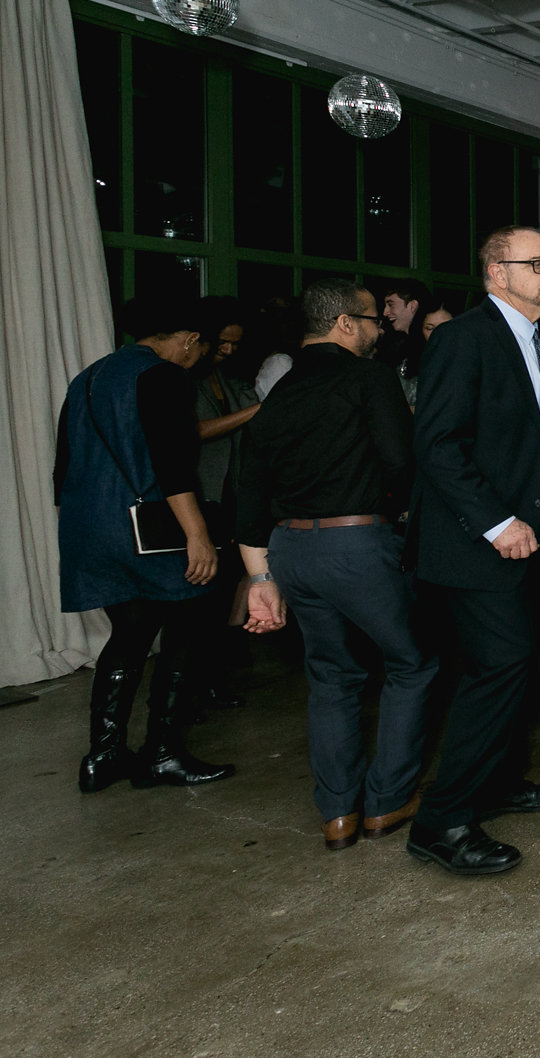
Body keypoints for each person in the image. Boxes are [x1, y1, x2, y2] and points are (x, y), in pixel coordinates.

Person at [406, 226, 540, 877]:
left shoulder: (532, 338)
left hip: (531, 539)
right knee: (502, 665)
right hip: (476, 545)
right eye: (537, 263)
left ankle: (498, 781)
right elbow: (436, 444)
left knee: (520, 668)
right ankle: (443, 820)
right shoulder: (464, 338)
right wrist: (495, 522)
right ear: (496, 271)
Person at [236, 281, 436, 852]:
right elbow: (402, 463)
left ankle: (337, 814)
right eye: (373, 320)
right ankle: (387, 801)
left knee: (331, 676)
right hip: (359, 546)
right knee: (412, 664)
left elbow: (247, 500)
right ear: (346, 324)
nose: (380, 329)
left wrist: (261, 580)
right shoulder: (369, 379)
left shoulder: (278, 395)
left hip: (290, 553)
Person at [55, 295, 234, 793]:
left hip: (88, 529)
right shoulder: (163, 377)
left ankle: (103, 756)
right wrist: (198, 536)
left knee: (130, 635)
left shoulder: (86, 378)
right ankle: (163, 753)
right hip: (149, 530)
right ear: (189, 340)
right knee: (189, 624)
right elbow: (173, 463)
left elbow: (61, 469)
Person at [192, 296, 262, 705]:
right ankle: (194, 687)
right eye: (223, 341)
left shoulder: (231, 381)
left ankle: (210, 680)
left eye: (237, 343)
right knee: (202, 598)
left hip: (232, 495)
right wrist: (257, 410)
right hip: (201, 496)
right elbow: (196, 431)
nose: (229, 350)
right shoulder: (185, 381)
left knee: (223, 594)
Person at [376, 278, 427, 368]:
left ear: (413, 306)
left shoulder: (429, 344)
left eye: (391, 304)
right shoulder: (393, 345)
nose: (385, 312)